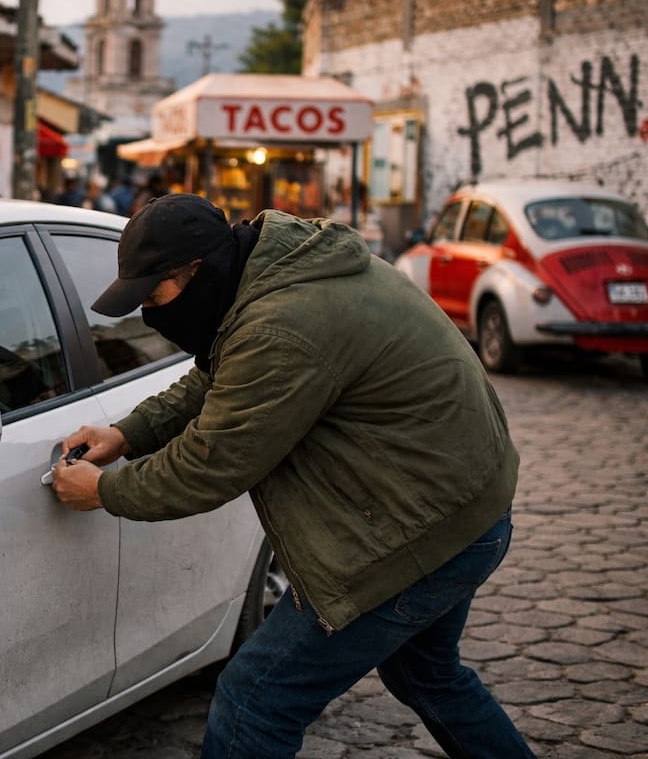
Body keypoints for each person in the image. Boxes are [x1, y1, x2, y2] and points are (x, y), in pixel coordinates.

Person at [50, 193, 534, 759]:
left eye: (154, 295)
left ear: (196, 272)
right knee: (428, 676)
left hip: (418, 534)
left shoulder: (282, 324)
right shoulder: (278, 273)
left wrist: (104, 490)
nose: (150, 313)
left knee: (255, 699)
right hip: (464, 506)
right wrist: (130, 432)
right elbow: (220, 374)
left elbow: (210, 466)